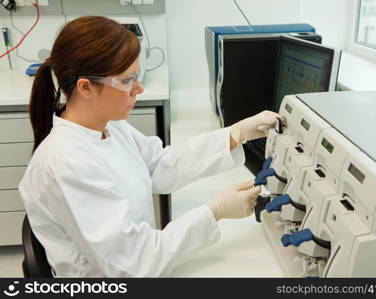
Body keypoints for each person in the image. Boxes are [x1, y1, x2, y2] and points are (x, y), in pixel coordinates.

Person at [18, 16, 280, 277]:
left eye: (137, 76)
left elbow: (160, 166)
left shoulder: (107, 125)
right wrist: (214, 212)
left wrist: (237, 133)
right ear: (85, 87)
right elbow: (135, 264)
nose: (139, 88)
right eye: (127, 80)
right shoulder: (67, 163)